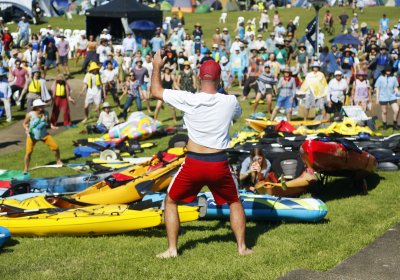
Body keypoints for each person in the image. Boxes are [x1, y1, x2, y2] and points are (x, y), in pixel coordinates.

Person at [151, 53, 252, 258]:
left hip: (194, 162)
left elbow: (156, 91)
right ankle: (241, 248)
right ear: (219, 79)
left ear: (199, 78)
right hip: (218, 163)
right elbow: (236, 114)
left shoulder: (189, 98)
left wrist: (156, 66)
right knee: (234, 201)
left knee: (171, 201)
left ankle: (172, 249)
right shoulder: (230, 101)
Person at [23, 99, 63, 172]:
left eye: (42, 105)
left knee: (56, 147)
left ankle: (58, 161)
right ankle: (26, 168)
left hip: (44, 135)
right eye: (40, 106)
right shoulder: (30, 114)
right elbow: (24, 123)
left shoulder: (46, 113)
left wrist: (52, 126)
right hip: (32, 137)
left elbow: (48, 121)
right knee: (28, 152)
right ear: (36, 107)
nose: (42, 107)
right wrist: (26, 129)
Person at [375, 65, 399, 130]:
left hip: (392, 97)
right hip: (383, 97)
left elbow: (395, 87)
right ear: (385, 71)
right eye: (387, 70)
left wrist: (398, 94)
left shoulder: (393, 78)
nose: (388, 71)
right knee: (384, 112)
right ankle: (385, 124)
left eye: (389, 70)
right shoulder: (380, 78)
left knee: (396, 110)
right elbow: (377, 89)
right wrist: (377, 98)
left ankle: (395, 123)